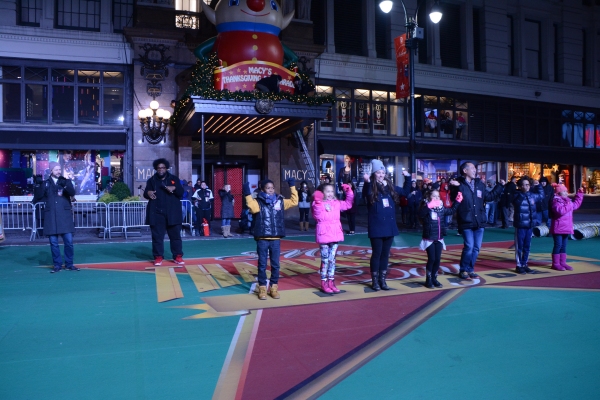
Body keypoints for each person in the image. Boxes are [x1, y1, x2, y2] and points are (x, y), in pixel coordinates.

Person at [244, 178, 298, 300]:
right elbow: (252, 208)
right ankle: (262, 287)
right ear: (262, 189)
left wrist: (292, 186)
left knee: (275, 264)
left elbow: (294, 202)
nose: (271, 190)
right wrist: (247, 193)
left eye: (272, 188)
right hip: (262, 238)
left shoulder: (279, 200)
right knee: (262, 264)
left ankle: (274, 287)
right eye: (268, 188)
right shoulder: (258, 202)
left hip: (276, 238)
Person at [450, 162, 504, 280]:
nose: (475, 171)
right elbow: (453, 198)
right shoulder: (459, 184)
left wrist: (499, 186)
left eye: (475, 169)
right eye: (473, 168)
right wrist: (454, 186)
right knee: (469, 246)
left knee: (476, 247)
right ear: (465, 171)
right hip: (466, 221)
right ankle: (463, 269)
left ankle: (470, 269)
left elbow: (489, 197)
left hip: (479, 221)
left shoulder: (479, 184)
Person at [362, 160, 411, 291]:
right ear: (374, 174)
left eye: (383, 172)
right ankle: (375, 281)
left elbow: (405, 192)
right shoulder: (371, 186)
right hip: (377, 226)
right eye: (378, 172)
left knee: (385, 254)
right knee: (377, 253)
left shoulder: (390, 186)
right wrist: (366, 182)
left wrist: (407, 177)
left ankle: (382, 280)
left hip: (389, 225)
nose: (381, 174)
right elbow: (365, 194)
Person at [32, 162, 79, 273]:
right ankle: (57, 264)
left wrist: (66, 185)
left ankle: (69, 264)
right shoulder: (46, 183)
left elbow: (73, 192)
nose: (58, 171)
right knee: (53, 243)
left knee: (69, 242)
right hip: (51, 217)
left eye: (59, 169)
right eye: (56, 169)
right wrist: (38, 185)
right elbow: (38, 197)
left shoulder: (65, 181)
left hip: (65, 217)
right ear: (51, 170)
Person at [311, 183, 354, 293]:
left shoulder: (336, 203)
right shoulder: (318, 204)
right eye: (327, 191)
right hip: (324, 235)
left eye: (331, 191)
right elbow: (317, 214)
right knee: (325, 260)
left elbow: (348, 204)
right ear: (322, 193)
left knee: (332, 260)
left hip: (335, 235)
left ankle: (331, 281)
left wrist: (348, 192)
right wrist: (317, 201)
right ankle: (324, 282)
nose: (330, 193)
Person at [418, 188, 463, 288]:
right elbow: (420, 214)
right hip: (429, 237)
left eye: (438, 196)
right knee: (432, 259)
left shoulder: (441, 208)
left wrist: (457, 201)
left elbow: (451, 211)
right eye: (434, 196)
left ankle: (434, 278)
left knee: (437, 259)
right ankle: (428, 280)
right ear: (429, 197)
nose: (436, 198)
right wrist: (429, 207)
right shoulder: (426, 206)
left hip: (439, 237)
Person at [143, 158, 185, 266]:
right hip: (157, 214)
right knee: (157, 237)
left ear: (166, 168)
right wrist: (148, 192)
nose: (161, 169)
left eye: (163, 167)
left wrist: (174, 188)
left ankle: (178, 256)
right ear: (156, 169)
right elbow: (145, 194)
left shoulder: (174, 179)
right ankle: (158, 257)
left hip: (173, 213)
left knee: (175, 236)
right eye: (158, 168)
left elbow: (181, 193)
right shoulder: (152, 180)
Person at [512, 177, 545, 274]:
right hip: (521, 225)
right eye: (523, 185)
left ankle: (525, 263)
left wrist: (538, 185)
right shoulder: (517, 195)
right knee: (519, 246)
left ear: (530, 186)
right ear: (520, 186)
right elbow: (516, 203)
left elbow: (541, 196)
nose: (525, 187)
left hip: (530, 225)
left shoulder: (533, 196)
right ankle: (519, 265)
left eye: (527, 185)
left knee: (527, 246)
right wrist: (523, 194)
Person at [550, 184, 584, 271]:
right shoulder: (555, 201)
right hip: (558, 228)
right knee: (558, 245)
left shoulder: (567, 201)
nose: (566, 192)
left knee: (564, 246)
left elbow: (576, 205)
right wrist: (569, 204)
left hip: (566, 227)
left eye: (566, 191)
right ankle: (555, 263)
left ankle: (563, 262)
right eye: (563, 191)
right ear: (558, 193)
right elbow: (561, 211)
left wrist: (579, 194)